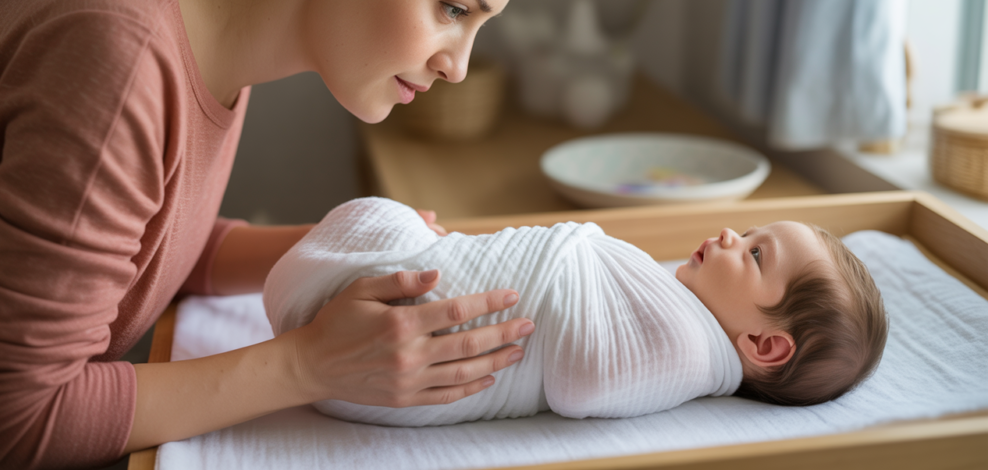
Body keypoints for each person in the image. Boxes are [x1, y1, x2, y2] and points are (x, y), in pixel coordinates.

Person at [0, 0, 548, 469]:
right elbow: (13, 420)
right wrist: (310, 365)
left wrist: (339, 251)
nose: (459, 66)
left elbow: (148, 249)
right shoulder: (122, 55)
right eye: (453, 9)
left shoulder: (201, 37)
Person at [264, 197, 889, 426]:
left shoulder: (689, 351)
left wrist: (568, 275)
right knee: (397, 226)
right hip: (356, 344)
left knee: (385, 220)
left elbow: (587, 374)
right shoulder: (682, 318)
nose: (729, 234)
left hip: (372, 361)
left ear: (765, 345)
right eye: (748, 230)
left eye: (755, 253)